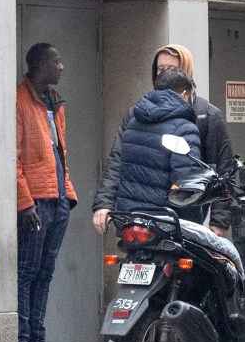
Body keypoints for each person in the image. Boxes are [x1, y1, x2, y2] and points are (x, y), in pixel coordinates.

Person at [93, 44, 233, 236]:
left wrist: (220, 221)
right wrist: (104, 203)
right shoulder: (137, 113)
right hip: (149, 219)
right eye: (160, 69)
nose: (164, 74)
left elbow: (222, 169)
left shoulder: (207, 115)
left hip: (183, 219)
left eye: (171, 69)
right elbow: (118, 160)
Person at [16, 43, 77, 342]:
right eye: (57, 61)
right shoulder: (19, 99)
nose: (62, 67)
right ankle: (21, 339)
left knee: (45, 271)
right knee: (27, 269)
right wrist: (25, 202)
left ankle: (38, 339)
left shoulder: (54, 102)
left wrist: (67, 193)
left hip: (58, 198)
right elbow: (12, 158)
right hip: (35, 200)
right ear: (39, 64)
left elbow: (60, 155)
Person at [112, 68, 203, 223]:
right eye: (191, 95)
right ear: (183, 94)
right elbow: (186, 186)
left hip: (129, 219)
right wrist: (195, 221)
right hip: (165, 221)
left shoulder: (133, 122)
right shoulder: (185, 129)